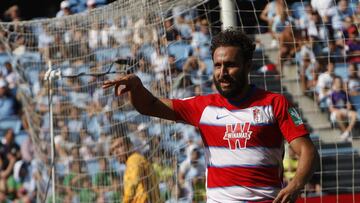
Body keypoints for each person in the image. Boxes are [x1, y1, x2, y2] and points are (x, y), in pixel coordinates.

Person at [103, 28, 319, 202]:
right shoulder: (203, 106)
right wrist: (136, 86)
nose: (222, 73)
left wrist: (296, 185)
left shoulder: (274, 103)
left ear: (247, 66)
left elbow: (307, 151)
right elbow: (149, 105)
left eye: (230, 65)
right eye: (217, 65)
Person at [110, 135, 161, 203]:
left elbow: (131, 188)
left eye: (119, 146)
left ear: (130, 145)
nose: (116, 152)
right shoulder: (137, 159)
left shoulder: (133, 160)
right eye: (113, 149)